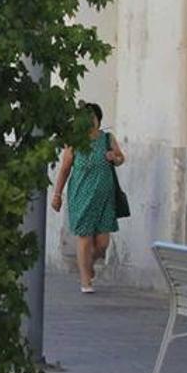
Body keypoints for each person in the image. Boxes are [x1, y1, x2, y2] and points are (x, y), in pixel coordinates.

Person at [52, 102, 126, 293]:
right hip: (81, 195)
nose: (89, 121)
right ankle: (86, 281)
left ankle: (88, 264)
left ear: (98, 120)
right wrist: (57, 195)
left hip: (104, 198)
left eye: (92, 117)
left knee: (102, 244)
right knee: (84, 237)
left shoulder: (107, 138)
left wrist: (114, 157)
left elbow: (120, 158)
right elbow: (64, 170)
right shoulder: (75, 143)